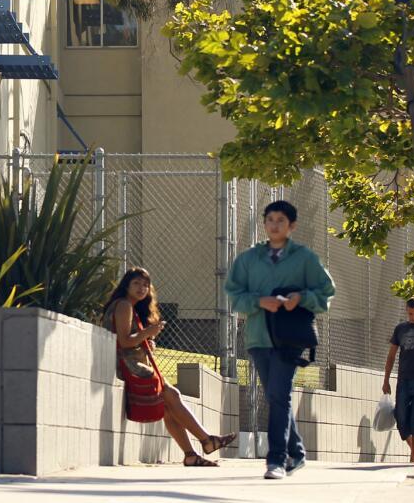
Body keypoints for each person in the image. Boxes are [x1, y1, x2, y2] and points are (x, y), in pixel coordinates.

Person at [225, 199, 335, 480]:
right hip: (258, 336)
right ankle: (296, 452)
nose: (275, 225)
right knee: (275, 396)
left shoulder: (305, 258)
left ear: (292, 226)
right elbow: (234, 295)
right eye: (270, 219)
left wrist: (301, 298)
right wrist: (260, 302)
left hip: (290, 337)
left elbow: (326, 292)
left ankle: (276, 459)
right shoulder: (248, 259)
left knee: (279, 395)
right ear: (265, 223)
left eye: (281, 221)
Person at [102, 267, 237, 466]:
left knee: (168, 406)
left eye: (145, 285)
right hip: (127, 366)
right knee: (172, 395)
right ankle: (207, 441)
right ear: (126, 286)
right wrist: (148, 333)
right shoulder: (123, 305)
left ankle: (191, 454)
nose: (141, 288)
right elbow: (123, 341)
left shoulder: (127, 306)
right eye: (136, 284)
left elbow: (130, 340)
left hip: (130, 363)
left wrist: (145, 339)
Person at [382, 298, 414, 463]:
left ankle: (413, 459)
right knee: (401, 419)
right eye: (410, 314)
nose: (413, 317)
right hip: (403, 379)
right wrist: (386, 379)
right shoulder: (400, 329)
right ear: (406, 312)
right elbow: (391, 356)